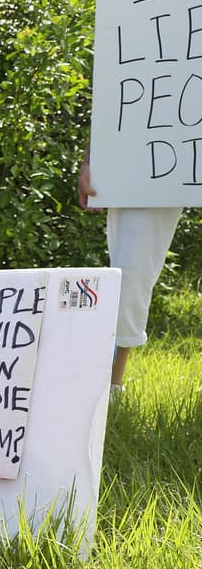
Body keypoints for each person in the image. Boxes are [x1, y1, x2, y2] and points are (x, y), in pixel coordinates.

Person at [78, 149, 184, 393]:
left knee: (131, 273)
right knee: (130, 271)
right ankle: (111, 388)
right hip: (151, 158)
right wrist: (91, 161)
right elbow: (108, 111)